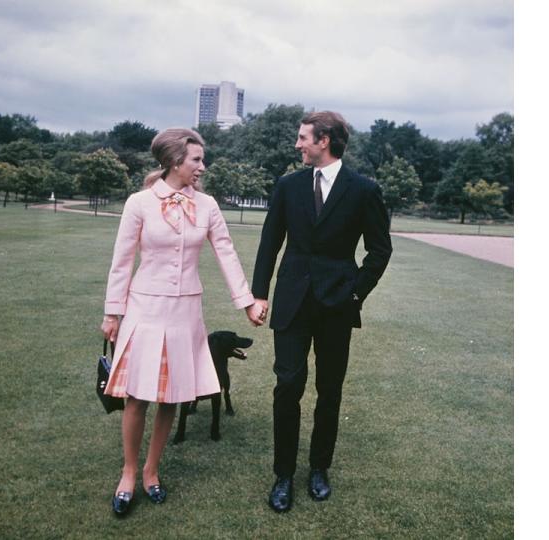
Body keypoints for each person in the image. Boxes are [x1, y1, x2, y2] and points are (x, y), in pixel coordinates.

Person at [101, 128, 257, 517]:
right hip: (145, 308)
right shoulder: (139, 203)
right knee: (137, 395)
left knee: (172, 394)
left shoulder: (208, 206)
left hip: (186, 311)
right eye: (196, 160)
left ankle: (153, 471)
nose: (202, 166)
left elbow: (226, 253)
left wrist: (246, 303)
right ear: (174, 162)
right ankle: (129, 472)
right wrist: (112, 312)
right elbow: (122, 261)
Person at [246, 111, 393, 513]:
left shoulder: (363, 189)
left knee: (329, 392)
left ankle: (319, 469)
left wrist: (355, 294)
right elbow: (269, 243)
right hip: (292, 302)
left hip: (336, 307)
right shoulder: (288, 185)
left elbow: (380, 250)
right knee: (287, 387)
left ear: (323, 139)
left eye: (302, 137)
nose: (298, 144)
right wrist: (258, 294)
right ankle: (283, 476)